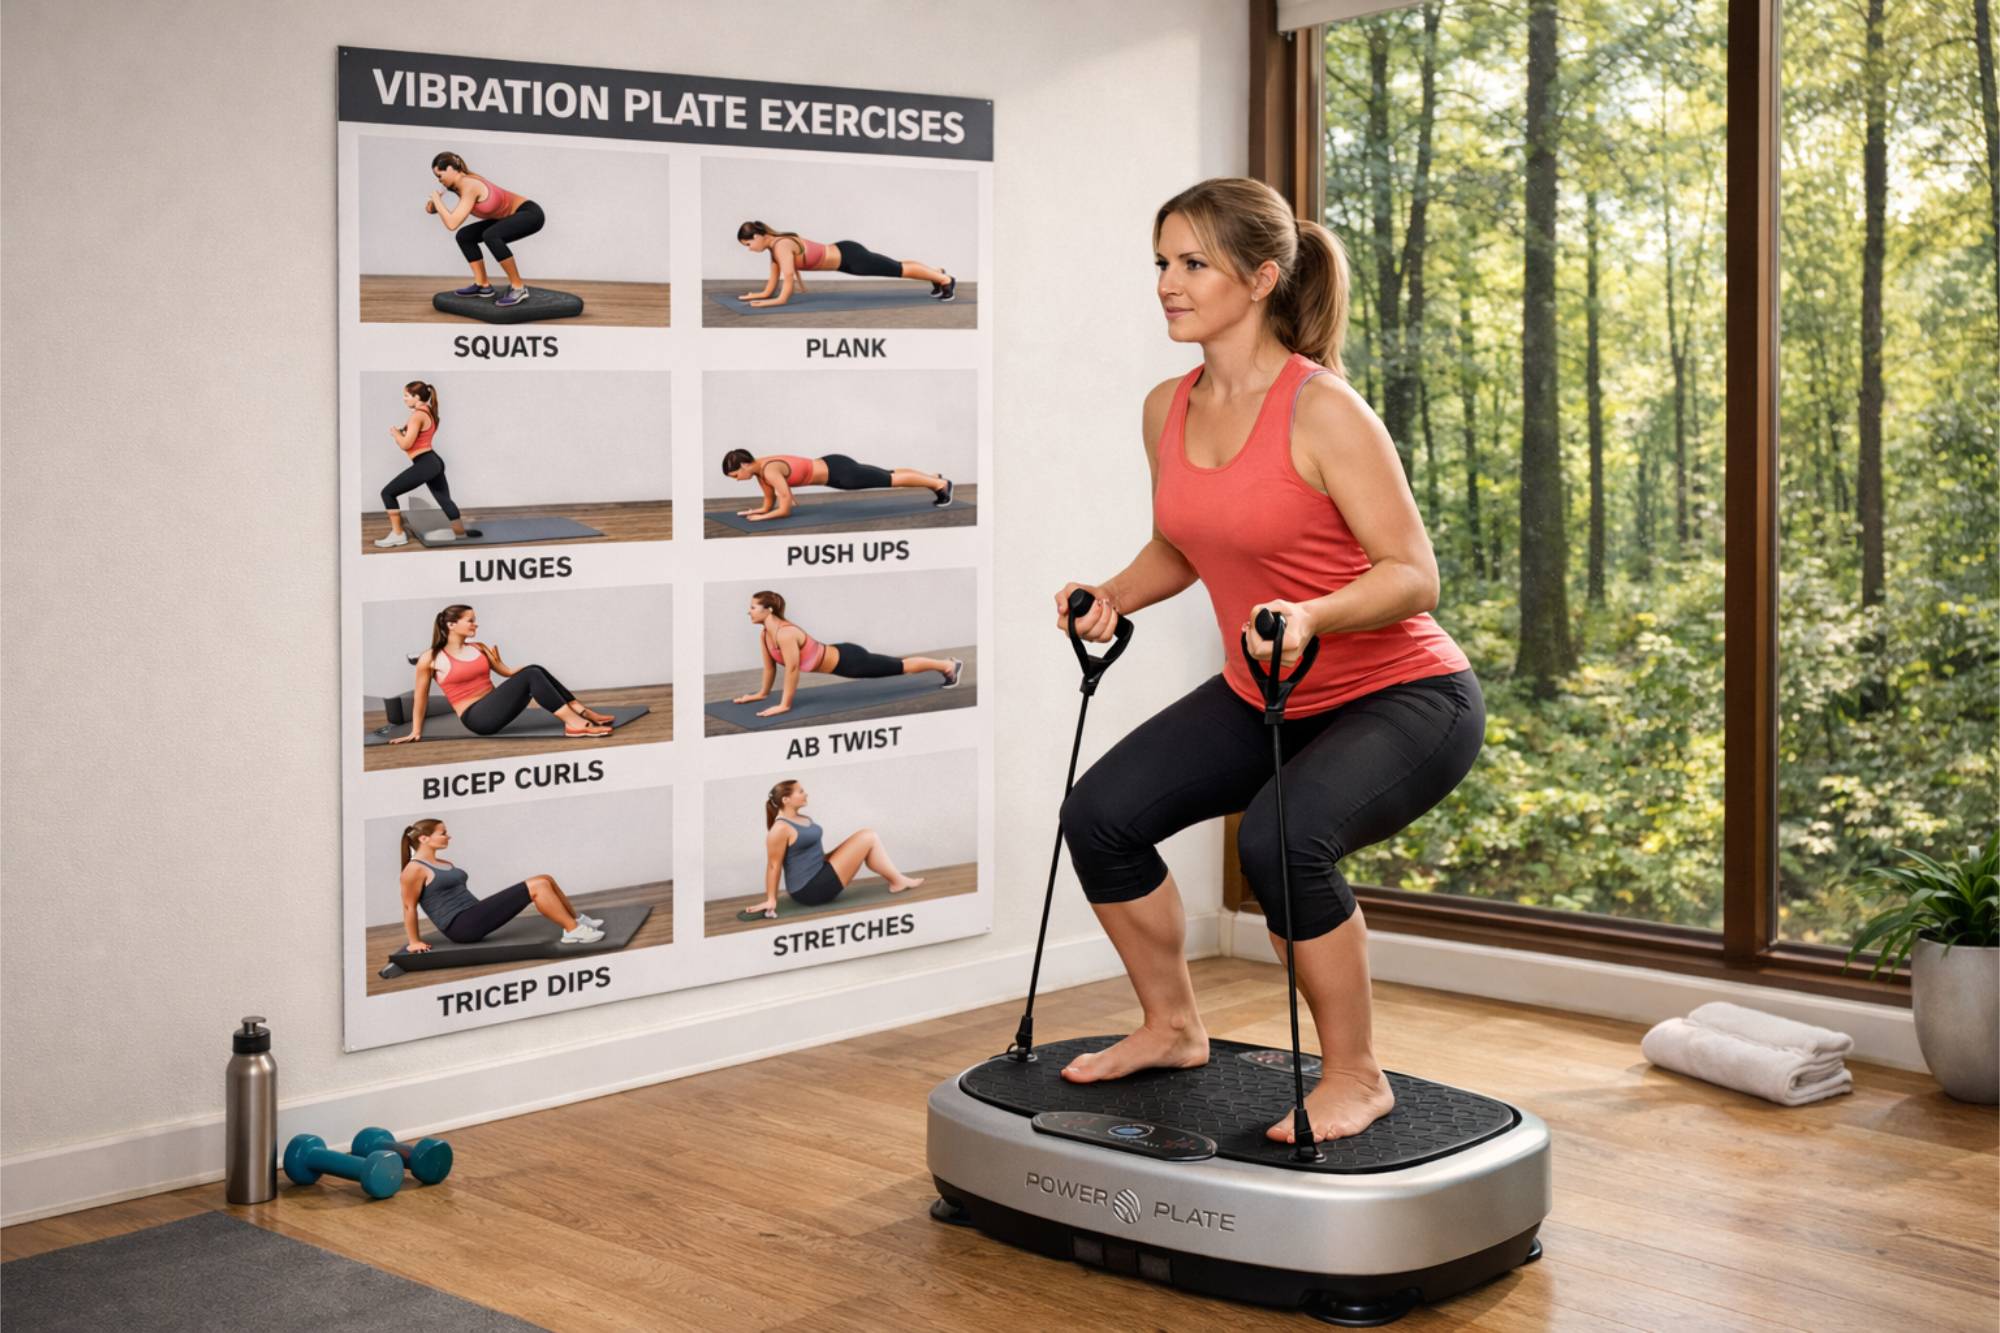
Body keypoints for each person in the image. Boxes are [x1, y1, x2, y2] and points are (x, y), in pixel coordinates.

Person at [1054, 177, 1482, 1146]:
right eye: (1159, 263)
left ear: (1257, 278)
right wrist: (1115, 592)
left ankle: (1354, 1074)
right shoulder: (1165, 407)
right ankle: (1170, 1026)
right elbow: (1190, 541)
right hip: (1268, 690)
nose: (1166, 283)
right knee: (1100, 815)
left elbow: (1412, 575)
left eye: (1190, 264)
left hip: (1403, 695)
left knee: (1280, 840)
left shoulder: (1323, 410)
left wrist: (1313, 613)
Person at [393, 604, 614, 743]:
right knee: (531, 674)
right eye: (470, 620)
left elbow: (508, 673)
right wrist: (415, 730)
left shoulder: (479, 647)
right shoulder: (430, 658)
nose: (475, 625)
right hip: (477, 718)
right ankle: (574, 724)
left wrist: (502, 663)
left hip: (496, 706)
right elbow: (420, 698)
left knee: (534, 669)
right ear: (451, 624)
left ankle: (581, 711)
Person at [733, 591, 962, 719]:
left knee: (901, 666)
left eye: (753, 607)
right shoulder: (765, 635)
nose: (748, 611)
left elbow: (792, 670)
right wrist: (761, 694)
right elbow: (770, 668)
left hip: (851, 661)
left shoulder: (786, 633)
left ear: (769, 610)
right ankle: (946, 665)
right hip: (841, 657)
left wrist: (784, 705)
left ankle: (947, 666)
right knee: (898, 664)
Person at [397, 819, 603, 949]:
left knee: (545, 878)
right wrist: (414, 942)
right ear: (424, 838)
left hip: (474, 914)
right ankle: (572, 931)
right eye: (442, 833)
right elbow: (408, 907)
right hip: (461, 927)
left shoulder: (443, 863)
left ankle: (574, 920)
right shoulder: (414, 869)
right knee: (538, 886)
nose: (448, 836)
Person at [738, 779, 924, 920]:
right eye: (800, 791)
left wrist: (845, 853)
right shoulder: (780, 829)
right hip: (809, 890)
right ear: (786, 799)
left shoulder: (802, 818)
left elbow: (809, 855)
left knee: (867, 841)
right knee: (868, 837)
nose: (806, 794)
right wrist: (771, 900)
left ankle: (897, 881)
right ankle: (898, 881)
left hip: (819, 871)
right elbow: (773, 865)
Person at [735, 221, 955, 307]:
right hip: (845, 260)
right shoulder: (774, 249)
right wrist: (759, 296)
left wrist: (776, 302)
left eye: (747, 244)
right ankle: (936, 274)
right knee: (896, 266)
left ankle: (945, 280)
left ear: (757, 236)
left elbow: (788, 279)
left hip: (851, 258)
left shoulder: (781, 245)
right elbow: (772, 284)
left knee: (898, 269)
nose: (749, 249)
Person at [428, 152, 544, 309]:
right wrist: (434, 203)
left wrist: (436, 199)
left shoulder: (469, 185)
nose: (439, 180)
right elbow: (431, 210)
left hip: (529, 214)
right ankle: (483, 285)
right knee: (465, 236)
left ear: (449, 168)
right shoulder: (457, 185)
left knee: (491, 235)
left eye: (439, 176)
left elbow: (452, 223)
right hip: (506, 218)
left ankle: (518, 288)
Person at [720, 449, 953, 520]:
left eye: (735, 475)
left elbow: (784, 509)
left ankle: (939, 484)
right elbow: (770, 502)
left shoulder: (769, 470)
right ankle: (931, 477)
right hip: (834, 465)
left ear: (743, 466)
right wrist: (757, 511)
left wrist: (762, 518)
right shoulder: (762, 470)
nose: (736, 480)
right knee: (888, 474)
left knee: (890, 479)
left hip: (842, 475)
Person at [374, 380, 469, 547]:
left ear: (416, 397)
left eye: (406, 396)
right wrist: (403, 432)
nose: (404, 399)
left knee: (387, 493)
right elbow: (418, 438)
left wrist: (396, 433)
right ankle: (460, 534)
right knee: (444, 499)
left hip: (426, 463)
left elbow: (406, 445)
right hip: (433, 461)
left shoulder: (417, 415)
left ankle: (398, 534)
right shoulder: (429, 411)